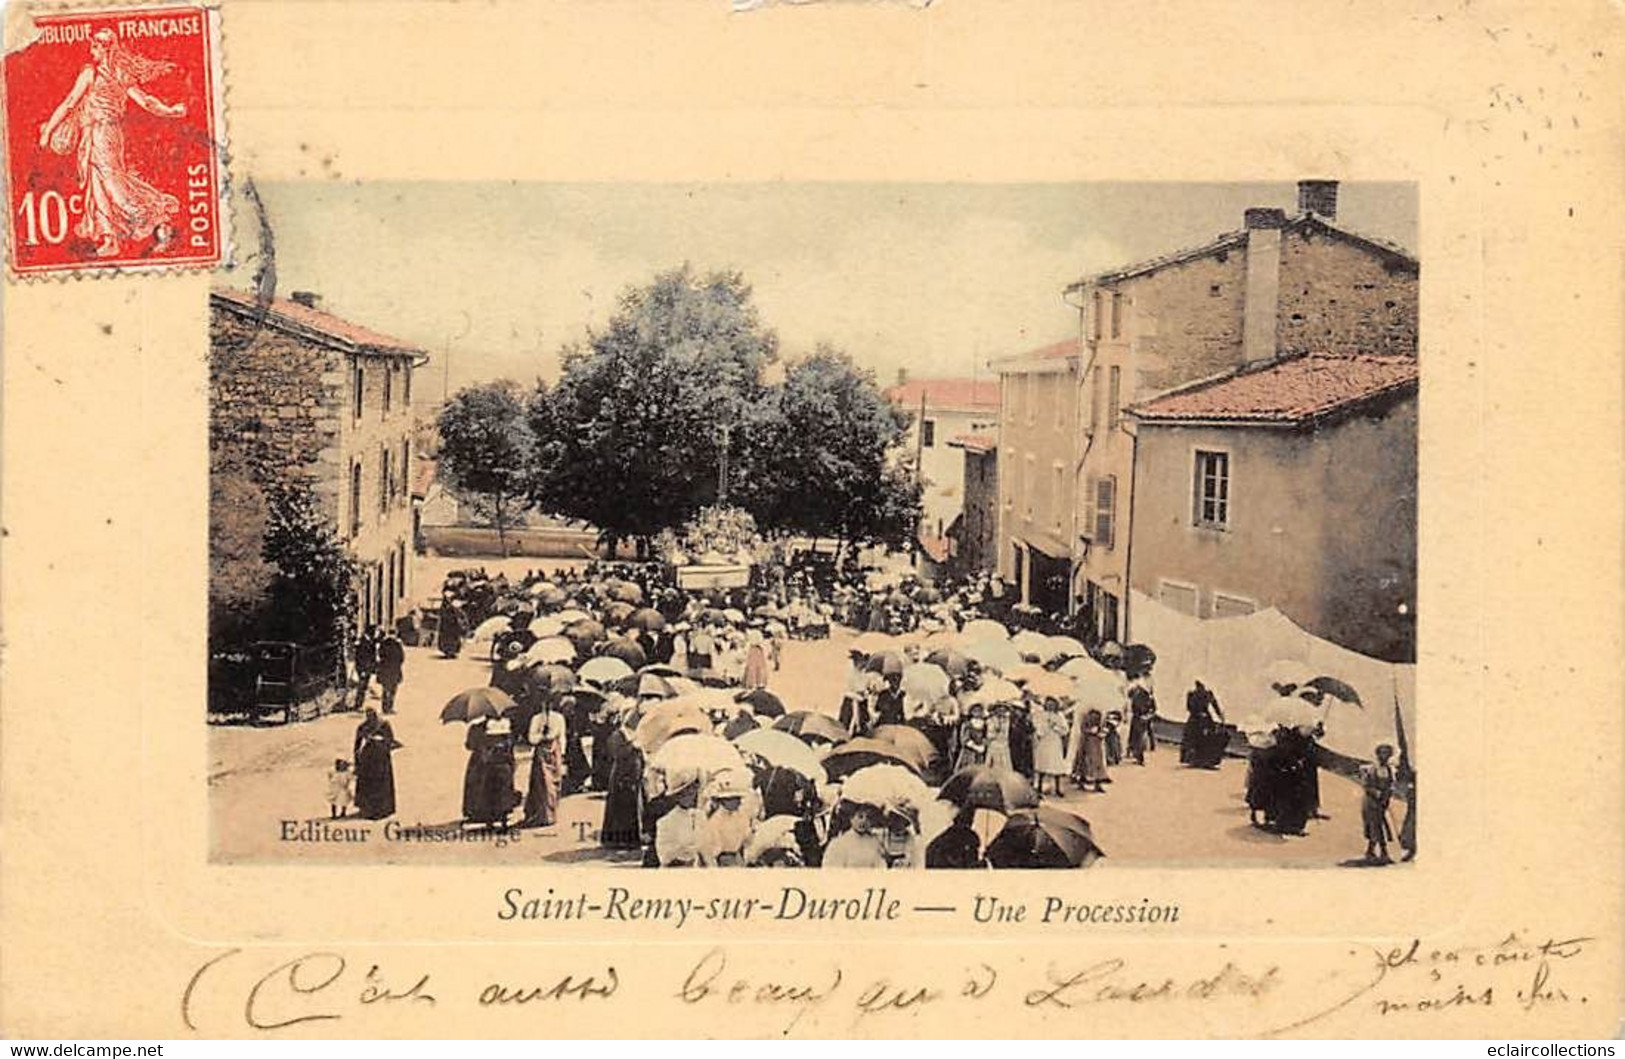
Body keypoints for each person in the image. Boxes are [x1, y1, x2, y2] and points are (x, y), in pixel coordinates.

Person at [36, 28, 186, 259]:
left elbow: (69, 103)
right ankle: (109, 239)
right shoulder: (115, 73)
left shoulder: (98, 73)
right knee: (97, 186)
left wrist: (48, 133)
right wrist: (170, 111)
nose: (91, 51)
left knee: (113, 183)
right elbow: (146, 101)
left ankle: (154, 218)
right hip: (97, 133)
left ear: (105, 48)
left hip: (104, 133)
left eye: (95, 46)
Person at [462, 714, 518, 828]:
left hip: (481, 762)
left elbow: (469, 745)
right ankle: (502, 816)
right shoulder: (506, 727)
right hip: (503, 761)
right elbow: (511, 745)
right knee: (502, 788)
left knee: (482, 787)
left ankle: (484, 816)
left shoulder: (476, 728)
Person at [521, 701, 566, 830]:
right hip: (541, 753)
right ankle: (540, 815)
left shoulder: (558, 718)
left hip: (554, 752)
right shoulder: (536, 719)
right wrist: (541, 735)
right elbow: (531, 738)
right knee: (542, 783)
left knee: (554, 783)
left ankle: (551, 814)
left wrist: (562, 753)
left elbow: (562, 736)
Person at [352, 708, 398, 820]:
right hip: (368, 759)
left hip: (381, 758)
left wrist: (380, 741)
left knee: (381, 783)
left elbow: (390, 740)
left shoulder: (384, 725)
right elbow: (357, 745)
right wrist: (357, 761)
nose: (370, 718)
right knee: (368, 783)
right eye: (368, 716)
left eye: (372, 716)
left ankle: (383, 809)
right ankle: (367, 809)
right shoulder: (362, 727)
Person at [1360, 744, 1397, 863]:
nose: (1384, 756)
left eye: (1387, 754)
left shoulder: (1389, 770)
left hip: (1382, 803)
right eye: (1382, 753)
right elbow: (1366, 785)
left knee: (1377, 827)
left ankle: (1370, 852)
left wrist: (1388, 793)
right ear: (1378, 754)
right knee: (1377, 827)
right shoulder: (1372, 768)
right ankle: (1384, 852)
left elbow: (1391, 784)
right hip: (1371, 803)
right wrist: (1377, 793)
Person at [1180, 680, 1227, 769]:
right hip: (1202, 718)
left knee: (1195, 738)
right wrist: (1221, 717)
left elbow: (1189, 707)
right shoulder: (1205, 694)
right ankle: (1201, 760)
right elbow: (1215, 705)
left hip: (1196, 718)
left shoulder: (1193, 694)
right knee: (1200, 739)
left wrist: (1221, 717)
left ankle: (1197, 760)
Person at [1032, 698, 1071, 797]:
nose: (1050, 706)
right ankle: (1039, 787)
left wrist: (1055, 727)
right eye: (1048, 704)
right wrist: (1045, 727)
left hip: (1055, 741)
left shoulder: (1060, 716)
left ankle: (1057, 788)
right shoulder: (1041, 715)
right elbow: (1038, 729)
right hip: (1045, 741)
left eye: (1052, 704)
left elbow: (1065, 730)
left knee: (1056, 764)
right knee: (1043, 764)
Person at [1076, 708, 1109, 793]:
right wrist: (1091, 731)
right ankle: (1081, 781)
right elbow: (1083, 729)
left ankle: (1097, 784)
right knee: (1085, 763)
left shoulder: (1101, 718)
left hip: (1097, 743)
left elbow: (1103, 729)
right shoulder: (1085, 717)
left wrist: (1102, 733)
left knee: (1098, 763)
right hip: (1088, 742)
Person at [1127, 680, 1157, 765]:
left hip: (1140, 719)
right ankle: (1137, 755)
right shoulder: (1142, 696)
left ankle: (1139, 756)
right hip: (1140, 719)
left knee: (1139, 738)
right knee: (1137, 737)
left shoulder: (1143, 697)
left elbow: (1152, 709)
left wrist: (1146, 716)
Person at [375, 631, 405, 715]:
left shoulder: (383, 643)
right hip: (394, 670)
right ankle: (390, 707)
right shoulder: (397, 644)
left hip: (385, 670)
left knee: (385, 689)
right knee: (392, 690)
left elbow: (380, 655)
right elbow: (402, 658)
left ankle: (385, 707)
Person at [954, 704, 989, 771]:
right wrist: (976, 747)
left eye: (979, 712)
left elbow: (986, 737)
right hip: (968, 753)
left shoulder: (984, 725)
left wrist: (983, 745)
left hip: (979, 754)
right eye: (975, 712)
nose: (977, 714)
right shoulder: (967, 725)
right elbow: (964, 740)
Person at [351, 626, 378, 711]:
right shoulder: (363, 642)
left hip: (367, 668)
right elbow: (360, 657)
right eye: (376, 631)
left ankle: (359, 704)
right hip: (363, 668)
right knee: (361, 687)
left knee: (364, 687)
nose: (376, 634)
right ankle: (357, 705)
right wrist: (362, 670)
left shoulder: (370, 640)